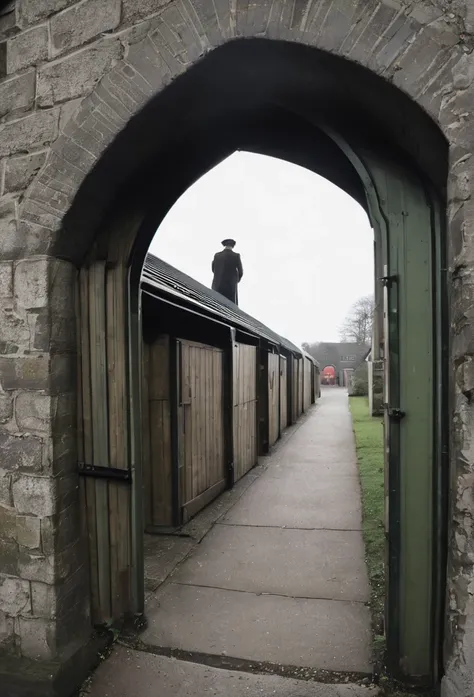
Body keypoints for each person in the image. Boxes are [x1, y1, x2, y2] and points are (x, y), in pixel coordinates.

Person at [211, 239, 243, 305]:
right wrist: (236, 280)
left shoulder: (217, 255)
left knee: (215, 303)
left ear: (225, 246)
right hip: (230, 286)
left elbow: (213, 268)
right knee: (230, 305)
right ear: (233, 246)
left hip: (217, 285)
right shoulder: (236, 256)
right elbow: (241, 272)